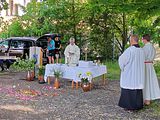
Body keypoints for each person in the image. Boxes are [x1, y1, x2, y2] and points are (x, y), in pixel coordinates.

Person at [118, 35, 145, 110]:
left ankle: (129, 106)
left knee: (129, 87)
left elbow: (122, 60)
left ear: (132, 40)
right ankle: (138, 106)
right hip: (139, 74)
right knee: (137, 88)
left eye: (130, 40)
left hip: (130, 74)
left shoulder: (130, 50)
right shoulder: (142, 51)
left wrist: (122, 68)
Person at [142, 34, 160, 105]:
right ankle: (149, 98)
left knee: (146, 81)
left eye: (142, 39)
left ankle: (147, 99)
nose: (142, 40)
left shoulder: (146, 47)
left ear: (145, 39)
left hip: (146, 65)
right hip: (150, 65)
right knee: (150, 81)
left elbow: (143, 57)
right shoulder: (152, 47)